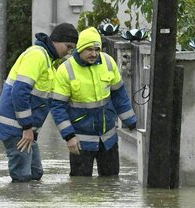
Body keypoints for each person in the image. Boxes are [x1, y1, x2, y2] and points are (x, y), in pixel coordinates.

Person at [0, 23, 78, 182]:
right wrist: (26, 128)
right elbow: (19, 91)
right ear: (57, 41)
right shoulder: (37, 55)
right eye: (68, 46)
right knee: (22, 177)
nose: (69, 52)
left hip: (25, 130)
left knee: (35, 173)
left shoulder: (49, 61)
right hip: (17, 129)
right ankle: (21, 202)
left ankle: (29, 202)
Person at [50, 27, 137, 177]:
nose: (94, 54)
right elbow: (57, 107)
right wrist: (69, 137)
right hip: (80, 141)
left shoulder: (108, 62)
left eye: (97, 49)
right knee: (81, 188)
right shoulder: (66, 69)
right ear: (80, 49)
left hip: (108, 139)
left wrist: (131, 122)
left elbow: (119, 95)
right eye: (89, 49)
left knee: (111, 184)